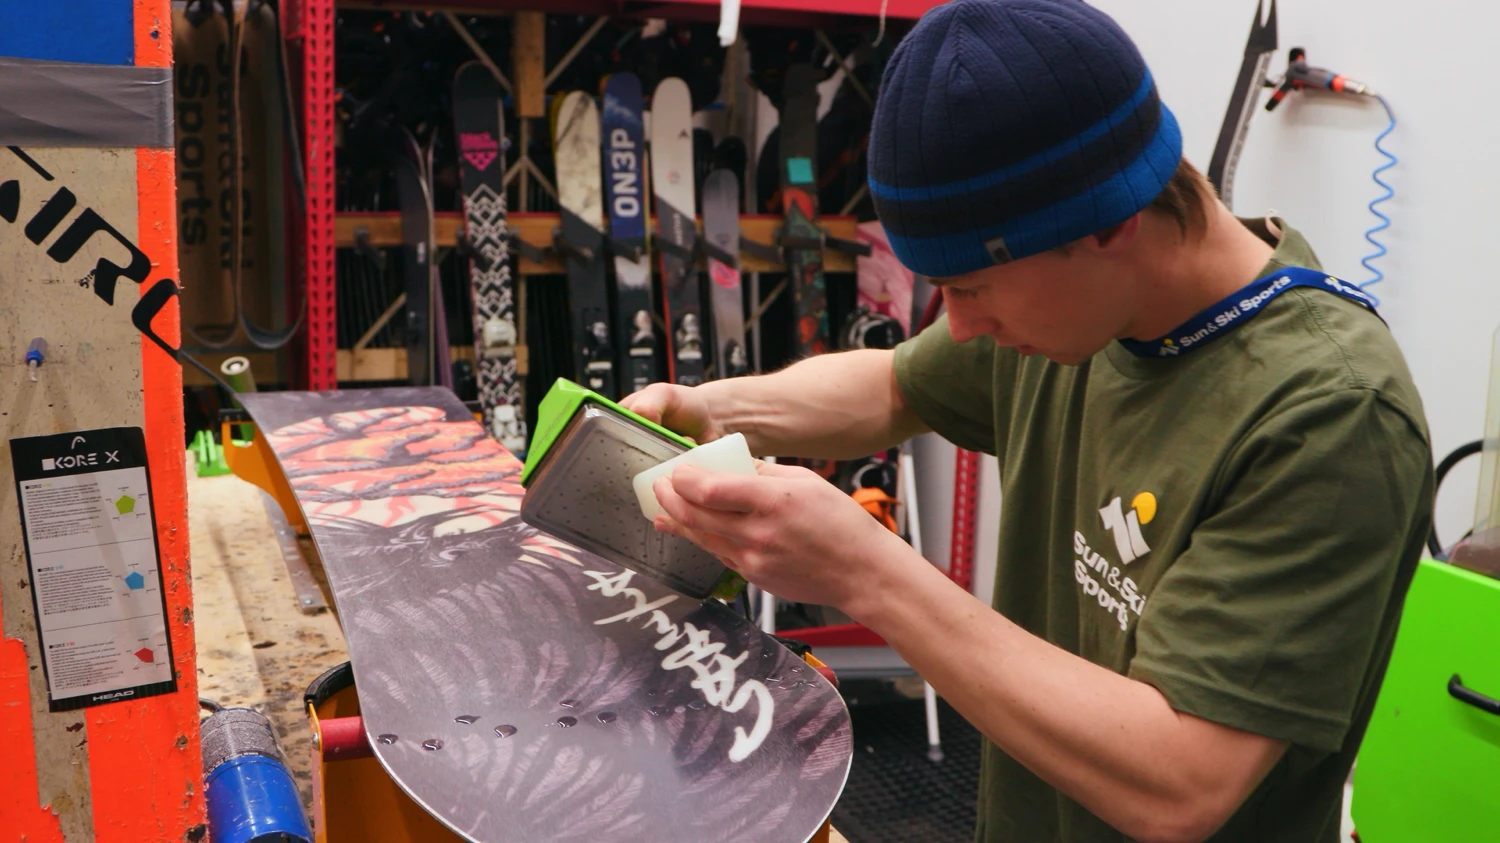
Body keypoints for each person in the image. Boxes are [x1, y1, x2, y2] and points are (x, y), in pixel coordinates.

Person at [624, 1, 1433, 841]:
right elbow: (897, 387)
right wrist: (718, 408)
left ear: (1113, 224)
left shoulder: (1329, 413)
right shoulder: (1075, 305)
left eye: (970, 290)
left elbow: (1183, 784)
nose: (961, 325)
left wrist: (868, 571)